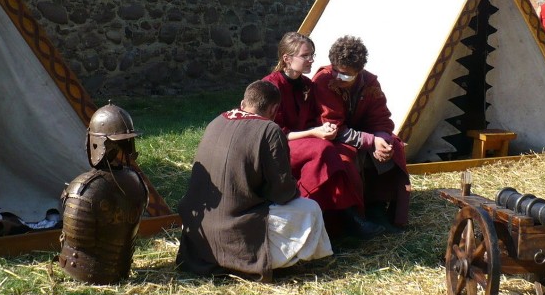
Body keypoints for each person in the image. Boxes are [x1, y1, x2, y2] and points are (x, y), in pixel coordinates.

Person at [176, 80, 332, 281]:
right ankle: (268, 261)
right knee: (310, 209)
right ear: (274, 109)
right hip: (235, 229)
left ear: (243, 103)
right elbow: (282, 192)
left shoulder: (217, 121)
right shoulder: (269, 129)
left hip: (199, 232)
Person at [263, 32, 382, 239]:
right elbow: (272, 133)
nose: (311, 60)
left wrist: (325, 129)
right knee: (325, 149)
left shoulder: (307, 86)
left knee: (338, 154)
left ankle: (338, 222)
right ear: (287, 59)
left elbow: (315, 119)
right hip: (278, 145)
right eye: (305, 56)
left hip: (307, 143)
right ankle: (346, 219)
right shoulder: (271, 86)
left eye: (312, 55)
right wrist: (314, 133)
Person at [312, 36, 411, 229]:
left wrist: (381, 139)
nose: (340, 78)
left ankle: (378, 206)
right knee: (345, 159)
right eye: (337, 72)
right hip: (329, 136)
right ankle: (353, 215)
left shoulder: (370, 82)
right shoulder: (324, 80)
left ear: (359, 71)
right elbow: (333, 126)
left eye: (347, 75)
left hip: (361, 135)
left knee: (394, 148)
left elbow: (380, 117)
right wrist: (370, 141)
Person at [58, 102, 149, 284]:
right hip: (122, 270)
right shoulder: (138, 182)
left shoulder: (84, 188)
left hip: (83, 272)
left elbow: (74, 241)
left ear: (95, 142)